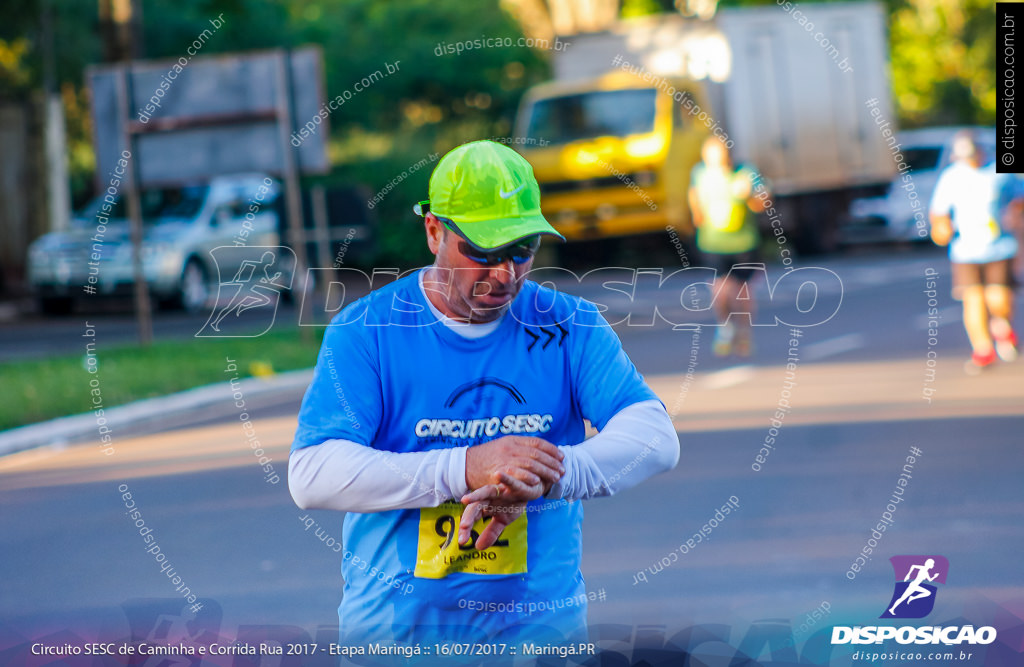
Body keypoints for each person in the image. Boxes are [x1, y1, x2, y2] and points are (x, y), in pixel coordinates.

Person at [289, 140, 679, 649]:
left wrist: (543, 475)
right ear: (434, 231)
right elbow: (312, 474)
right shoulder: (367, 329)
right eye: (483, 251)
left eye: (522, 250)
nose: (505, 274)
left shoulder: (568, 323)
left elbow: (655, 437)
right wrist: (465, 469)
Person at [929, 131, 1021, 373]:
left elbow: (1019, 198)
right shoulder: (951, 177)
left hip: (999, 246)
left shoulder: (999, 173)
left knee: (998, 299)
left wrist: (1015, 215)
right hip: (965, 250)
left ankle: (1001, 326)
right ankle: (982, 349)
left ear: (980, 151)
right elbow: (938, 212)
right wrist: (941, 229)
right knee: (973, 300)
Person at [688, 136, 767, 356]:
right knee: (720, 289)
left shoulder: (745, 172)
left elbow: (762, 202)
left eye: (721, 157)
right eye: (711, 157)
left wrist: (750, 194)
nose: (717, 162)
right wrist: (696, 213)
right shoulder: (700, 174)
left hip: (743, 242)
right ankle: (725, 327)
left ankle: (744, 332)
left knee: (743, 290)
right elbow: (694, 197)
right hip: (713, 242)